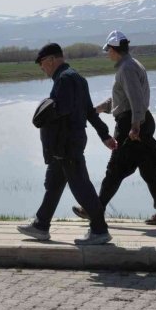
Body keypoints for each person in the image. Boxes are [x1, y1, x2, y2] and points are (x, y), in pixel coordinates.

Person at [72, 31, 156, 226]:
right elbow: (123, 100)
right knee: (148, 169)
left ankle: (93, 209)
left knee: (115, 169)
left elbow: (135, 100)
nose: (107, 54)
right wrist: (99, 108)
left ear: (113, 49)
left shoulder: (126, 69)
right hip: (138, 120)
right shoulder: (131, 65)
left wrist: (135, 126)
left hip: (131, 124)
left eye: (108, 50)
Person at [18, 43, 117, 245]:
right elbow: (89, 111)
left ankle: (99, 230)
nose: (41, 67)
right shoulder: (77, 78)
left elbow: (61, 111)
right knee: (54, 184)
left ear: (53, 59)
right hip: (65, 144)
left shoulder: (64, 80)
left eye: (42, 63)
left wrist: (43, 114)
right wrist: (104, 135)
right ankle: (41, 225)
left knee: (81, 186)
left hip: (66, 144)